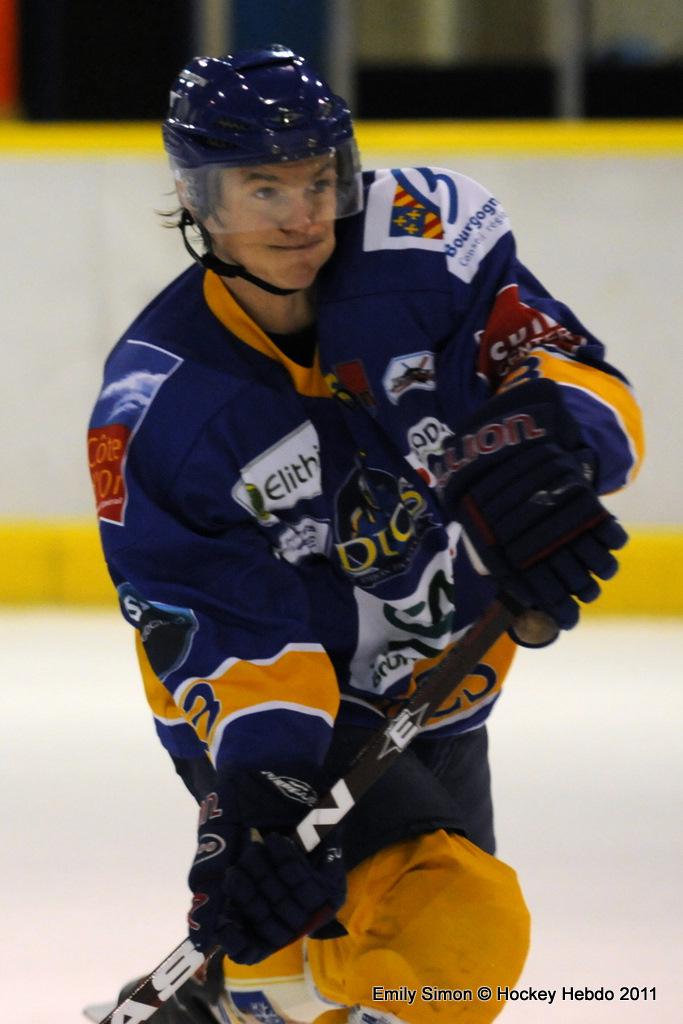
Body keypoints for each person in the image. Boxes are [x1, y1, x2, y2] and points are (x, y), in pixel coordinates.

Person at [87, 44, 644, 1024]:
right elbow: (219, 621)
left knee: (421, 975)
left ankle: (246, 995)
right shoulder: (162, 408)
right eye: (263, 188)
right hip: (288, 707)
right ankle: (257, 991)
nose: (302, 216)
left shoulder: (419, 256)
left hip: (442, 688)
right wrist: (267, 785)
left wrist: (549, 452)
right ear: (196, 199)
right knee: (453, 942)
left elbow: (568, 371)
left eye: (318, 180)